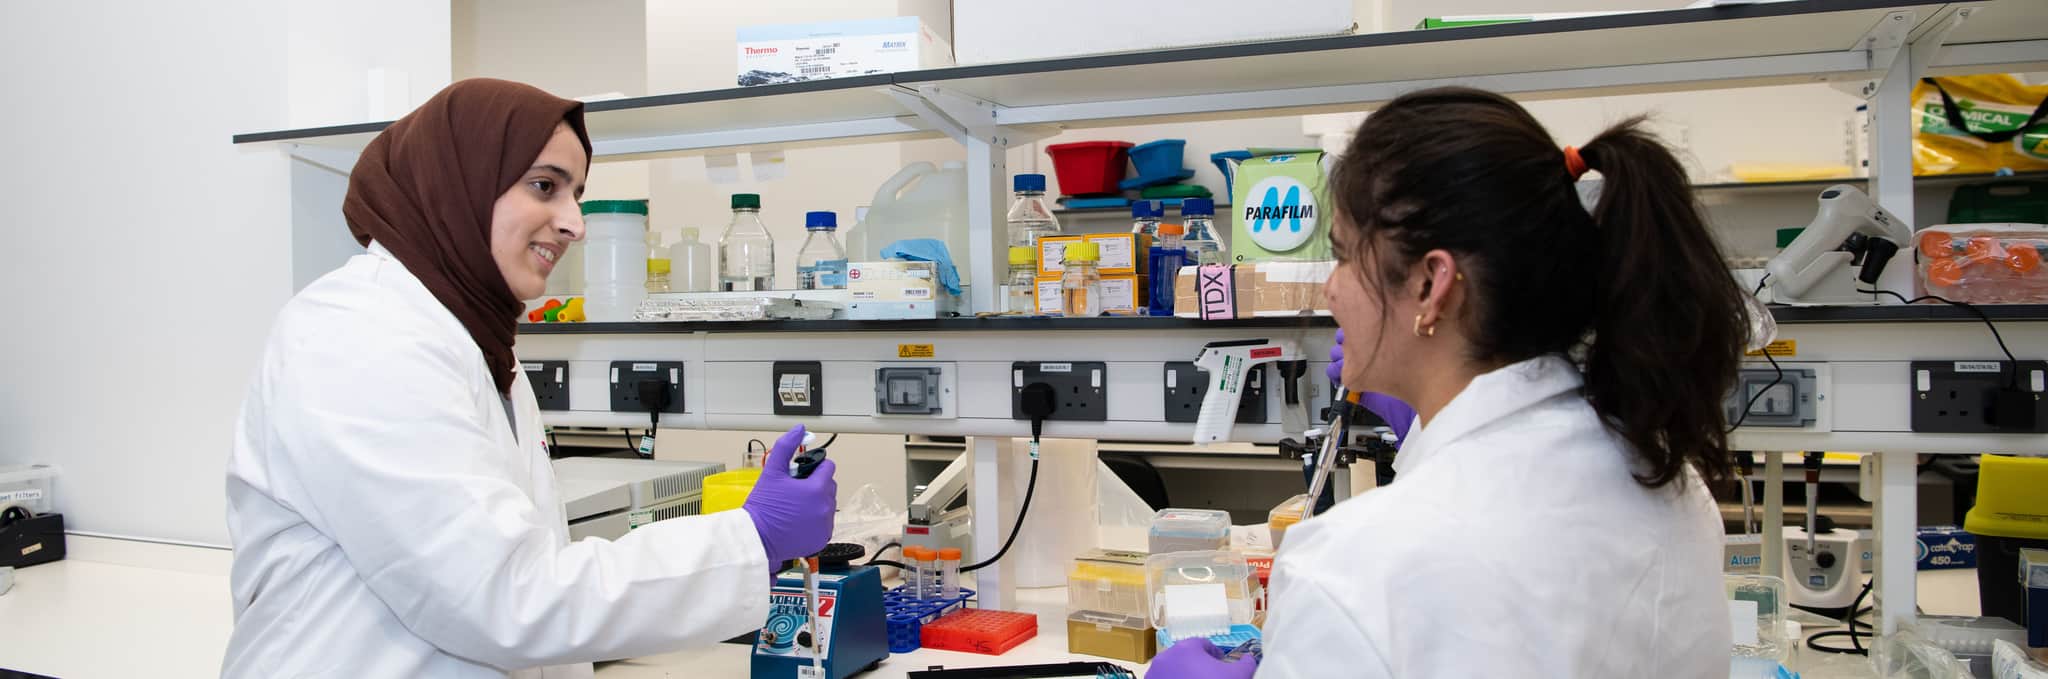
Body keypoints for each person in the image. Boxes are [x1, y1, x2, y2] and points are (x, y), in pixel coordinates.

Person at [223, 79, 838, 678]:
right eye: (545, 186)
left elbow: (521, 581)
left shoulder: (476, 340)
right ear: (455, 185)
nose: (575, 223)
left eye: (575, 194)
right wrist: (747, 538)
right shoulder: (361, 335)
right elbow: (503, 598)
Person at [1152, 87, 1746, 677]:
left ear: (1432, 285)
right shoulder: (1674, 487)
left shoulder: (1354, 567)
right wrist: (1424, 439)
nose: (1330, 290)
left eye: (1342, 257)